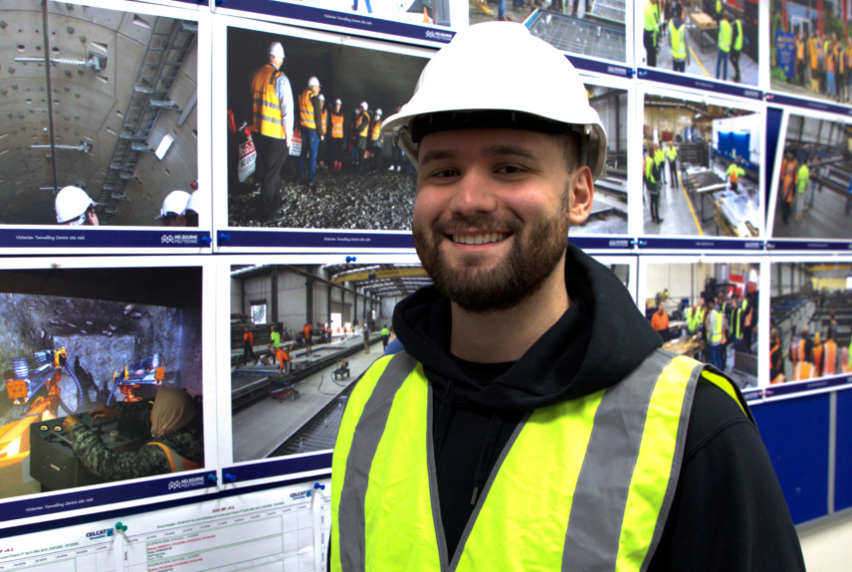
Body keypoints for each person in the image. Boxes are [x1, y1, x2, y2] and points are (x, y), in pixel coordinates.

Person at [330, 22, 804, 571]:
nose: (469, 198)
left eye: (509, 167)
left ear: (578, 195)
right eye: (444, 169)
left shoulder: (693, 434)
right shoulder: (371, 406)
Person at [62, 387, 203, 479]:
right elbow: (149, 414)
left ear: (166, 415)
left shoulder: (159, 457)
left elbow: (106, 464)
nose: (151, 413)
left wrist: (77, 430)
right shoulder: (191, 434)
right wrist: (118, 411)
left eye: (156, 409)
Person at [249, 41, 294, 220]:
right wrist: (288, 137)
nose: (282, 62)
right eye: (281, 58)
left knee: (268, 170)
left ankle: (275, 201)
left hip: (259, 132)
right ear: (276, 57)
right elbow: (287, 112)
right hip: (276, 135)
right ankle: (268, 211)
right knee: (271, 174)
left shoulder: (254, 74)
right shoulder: (279, 78)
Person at [297, 77, 324, 188]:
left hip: (303, 129)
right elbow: (318, 118)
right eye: (318, 87)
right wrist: (321, 133)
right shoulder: (314, 99)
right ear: (313, 86)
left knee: (303, 154)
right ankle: (311, 180)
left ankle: (298, 178)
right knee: (313, 156)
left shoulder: (302, 96)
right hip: (313, 131)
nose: (319, 89)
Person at [668, 4, 689, 73]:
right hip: (682, 57)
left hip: (674, 55)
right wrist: (688, 59)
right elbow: (686, 45)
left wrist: (674, 48)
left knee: (674, 73)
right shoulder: (683, 27)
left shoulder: (670, 22)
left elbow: (669, 41)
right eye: (683, 12)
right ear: (681, 13)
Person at [645, 144, 662, 224]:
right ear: (652, 152)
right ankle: (657, 218)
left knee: (652, 201)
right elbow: (655, 173)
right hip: (654, 182)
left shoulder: (647, 159)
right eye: (654, 151)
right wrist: (658, 182)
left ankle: (653, 217)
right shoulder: (652, 161)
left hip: (649, 182)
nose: (655, 152)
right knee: (656, 201)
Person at [780, 150, 797, 225]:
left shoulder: (791, 163)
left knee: (787, 202)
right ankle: (785, 219)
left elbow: (794, 175)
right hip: (788, 185)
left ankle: (786, 215)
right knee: (786, 203)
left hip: (788, 185)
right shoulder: (788, 163)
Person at [329, 98, 346, 171]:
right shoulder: (332, 114)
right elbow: (330, 124)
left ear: (340, 106)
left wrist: (344, 136)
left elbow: (343, 126)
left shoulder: (342, 114)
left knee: (340, 151)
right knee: (334, 150)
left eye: (339, 104)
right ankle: (335, 164)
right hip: (334, 135)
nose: (337, 106)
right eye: (336, 104)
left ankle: (340, 165)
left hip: (340, 136)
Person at [355, 102, 371, 174]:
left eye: (360, 107)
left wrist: (355, 133)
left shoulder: (365, 116)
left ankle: (361, 168)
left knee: (361, 153)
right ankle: (360, 167)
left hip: (362, 137)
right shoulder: (362, 115)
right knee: (360, 152)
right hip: (360, 137)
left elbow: (362, 126)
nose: (359, 108)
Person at [643, 0, 660, 68]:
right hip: (651, 38)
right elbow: (656, 26)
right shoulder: (650, 10)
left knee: (649, 57)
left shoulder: (648, 6)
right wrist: (660, 26)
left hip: (647, 35)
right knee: (652, 61)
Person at [716, 12, 732, 81]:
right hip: (727, 49)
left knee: (718, 65)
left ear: (724, 16)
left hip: (721, 47)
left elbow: (717, 24)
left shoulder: (721, 23)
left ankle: (717, 79)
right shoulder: (730, 27)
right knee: (725, 67)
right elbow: (730, 39)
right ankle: (724, 80)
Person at [730, 13, 744, 83]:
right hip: (739, 45)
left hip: (735, 47)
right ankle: (737, 75)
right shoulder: (739, 23)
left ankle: (737, 75)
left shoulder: (735, 24)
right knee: (736, 61)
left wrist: (731, 46)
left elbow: (735, 35)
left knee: (732, 59)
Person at [369, 108, 384, 173]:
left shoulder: (381, 123)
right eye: (376, 114)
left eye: (378, 115)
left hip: (379, 143)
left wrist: (379, 140)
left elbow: (382, 134)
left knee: (378, 156)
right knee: (374, 156)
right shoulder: (373, 122)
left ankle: (378, 168)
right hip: (373, 142)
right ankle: (374, 167)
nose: (376, 116)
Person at [796, 157, 810, 221]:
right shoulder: (807, 170)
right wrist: (806, 187)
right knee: (801, 202)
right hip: (803, 189)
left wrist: (797, 186)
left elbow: (797, 180)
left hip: (799, 188)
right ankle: (800, 215)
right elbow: (807, 181)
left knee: (798, 201)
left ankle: (797, 215)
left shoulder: (800, 169)